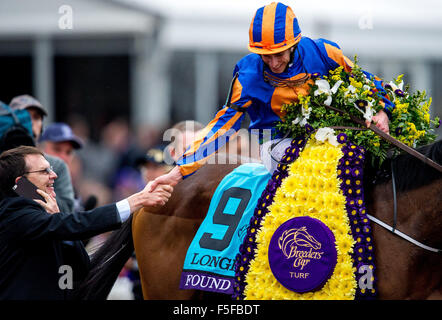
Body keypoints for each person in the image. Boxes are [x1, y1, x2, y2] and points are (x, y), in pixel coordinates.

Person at [149, 2, 394, 190]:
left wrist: (381, 109)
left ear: (294, 44)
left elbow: (364, 80)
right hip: (276, 143)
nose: (274, 63)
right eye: (266, 56)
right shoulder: (247, 73)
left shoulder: (323, 52)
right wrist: (182, 169)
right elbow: (224, 124)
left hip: (328, 137)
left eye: (279, 54)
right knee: (315, 160)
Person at [0, 146, 172, 300]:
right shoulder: (15, 214)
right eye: (44, 171)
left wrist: (57, 216)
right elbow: (77, 224)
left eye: (50, 168)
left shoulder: (46, 218)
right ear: (21, 183)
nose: (53, 175)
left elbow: (80, 267)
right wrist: (136, 200)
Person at [9, 95, 76, 213]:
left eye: (36, 117)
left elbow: (66, 210)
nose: (29, 122)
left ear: (41, 126)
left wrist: (19, 185)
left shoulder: (57, 165)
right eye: (23, 116)